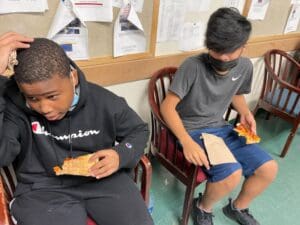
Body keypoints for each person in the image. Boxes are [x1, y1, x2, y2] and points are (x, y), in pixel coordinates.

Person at [0, 37, 154, 225]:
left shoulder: (103, 101)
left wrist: (120, 154)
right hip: (42, 189)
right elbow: (2, 155)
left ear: (72, 78)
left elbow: (138, 131)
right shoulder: (14, 109)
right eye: (32, 98)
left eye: (52, 96)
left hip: (102, 179)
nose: (44, 107)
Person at [160, 7, 278, 225]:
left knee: (268, 168)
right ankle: (202, 208)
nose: (223, 57)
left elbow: (236, 94)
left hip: (222, 127)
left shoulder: (244, 66)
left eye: (230, 51)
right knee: (231, 174)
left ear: (243, 48)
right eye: (217, 50)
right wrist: (186, 140)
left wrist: (244, 112)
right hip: (193, 130)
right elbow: (168, 107)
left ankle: (237, 208)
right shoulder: (192, 66)